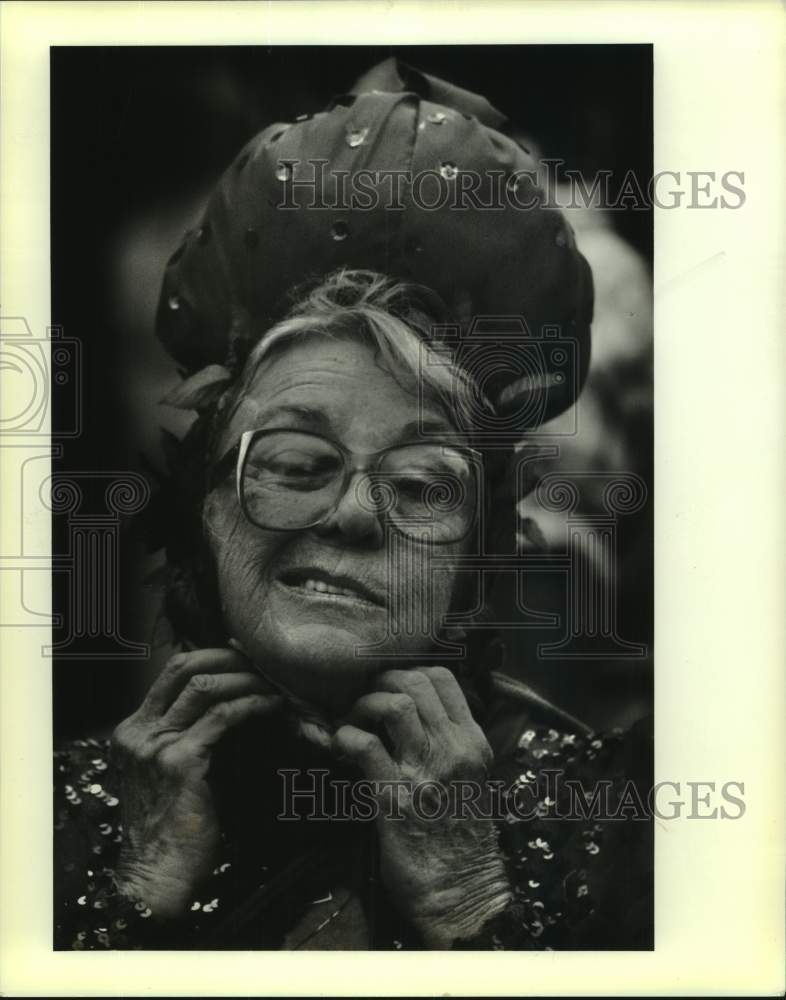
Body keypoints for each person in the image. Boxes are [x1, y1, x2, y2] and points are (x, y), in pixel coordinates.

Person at [54, 59, 652, 951]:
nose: (353, 515)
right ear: (206, 509)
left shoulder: (622, 829)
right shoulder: (45, 824)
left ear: (475, 554)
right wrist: (134, 898)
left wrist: (469, 904)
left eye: (420, 485)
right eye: (295, 463)